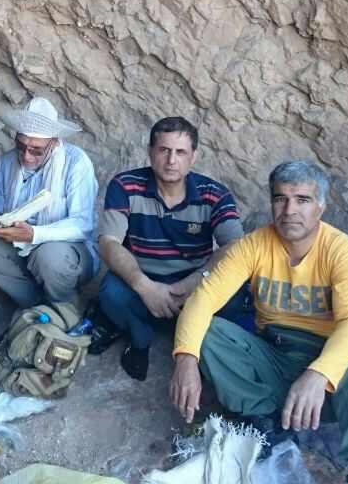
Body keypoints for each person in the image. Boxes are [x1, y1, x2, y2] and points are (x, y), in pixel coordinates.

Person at [169, 161, 348, 484]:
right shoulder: (254, 244)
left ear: (320, 206)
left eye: (302, 200)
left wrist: (319, 374)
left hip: (326, 364)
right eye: (280, 199)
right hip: (273, 355)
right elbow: (203, 298)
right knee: (208, 333)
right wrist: (185, 359)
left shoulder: (340, 250)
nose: (289, 210)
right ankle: (264, 419)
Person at [96, 116, 251, 381]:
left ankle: (193, 334)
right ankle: (140, 337)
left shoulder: (214, 193)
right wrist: (145, 287)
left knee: (236, 294)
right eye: (164, 150)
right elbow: (108, 243)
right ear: (150, 152)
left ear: (193, 157)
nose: (171, 160)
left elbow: (236, 247)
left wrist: (193, 283)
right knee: (110, 292)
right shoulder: (125, 185)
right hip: (143, 278)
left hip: (194, 282)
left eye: (180, 152)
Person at [0, 96, 97, 307]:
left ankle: (62, 307)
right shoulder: (6, 162)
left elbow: (82, 224)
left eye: (36, 150)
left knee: (49, 257)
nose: (27, 156)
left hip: (64, 252)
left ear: (53, 142)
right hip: (17, 246)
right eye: (21, 146)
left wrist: (35, 234)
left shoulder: (76, 163)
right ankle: (33, 303)